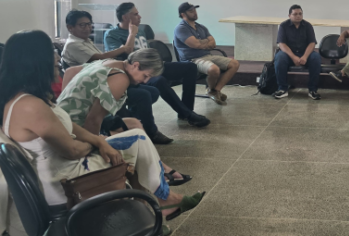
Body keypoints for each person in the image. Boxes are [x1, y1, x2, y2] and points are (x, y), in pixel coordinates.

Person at [0, 30, 203, 222]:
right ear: (37, 67)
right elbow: (73, 149)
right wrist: (99, 143)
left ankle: (156, 203)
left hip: (59, 167)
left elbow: (69, 117)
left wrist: (98, 141)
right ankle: (161, 200)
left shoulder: (26, 99)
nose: (58, 70)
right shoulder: (31, 106)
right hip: (63, 180)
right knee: (135, 144)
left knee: (135, 139)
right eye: (54, 66)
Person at [60, 10, 174, 144]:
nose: (145, 81)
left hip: (64, 120)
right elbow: (93, 120)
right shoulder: (120, 78)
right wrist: (98, 146)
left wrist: (65, 101)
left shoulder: (110, 63)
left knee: (135, 125)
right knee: (134, 139)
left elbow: (71, 71)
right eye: (146, 76)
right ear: (136, 65)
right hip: (73, 129)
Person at [104, 2, 210, 128]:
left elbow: (148, 52)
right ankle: (187, 115)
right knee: (159, 80)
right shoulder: (112, 34)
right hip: (137, 72)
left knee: (190, 67)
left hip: (152, 66)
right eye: (135, 14)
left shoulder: (140, 30)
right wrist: (131, 33)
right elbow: (127, 52)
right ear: (125, 17)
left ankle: (187, 110)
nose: (139, 17)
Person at [174, 2, 239, 105]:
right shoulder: (181, 28)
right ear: (183, 14)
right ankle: (213, 91)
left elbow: (213, 43)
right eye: (191, 11)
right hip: (192, 60)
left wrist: (201, 43)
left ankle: (215, 90)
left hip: (207, 56)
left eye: (195, 10)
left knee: (234, 64)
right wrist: (205, 42)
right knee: (214, 69)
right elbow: (195, 44)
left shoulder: (201, 27)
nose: (195, 13)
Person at [273, 4, 323, 100]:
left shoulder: (307, 26)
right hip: (288, 54)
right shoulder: (283, 26)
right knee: (279, 58)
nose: (298, 16)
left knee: (316, 58)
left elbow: (312, 43)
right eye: (295, 14)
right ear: (289, 15)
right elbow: (282, 44)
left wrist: (305, 56)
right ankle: (282, 89)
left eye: (300, 14)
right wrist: (293, 57)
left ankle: (312, 90)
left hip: (305, 53)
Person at [61, 9, 136, 67]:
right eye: (82, 25)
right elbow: (100, 59)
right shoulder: (73, 44)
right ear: (70, 27)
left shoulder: (85, 40)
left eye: (89, 24)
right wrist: (123, 48)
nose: (87, 28)